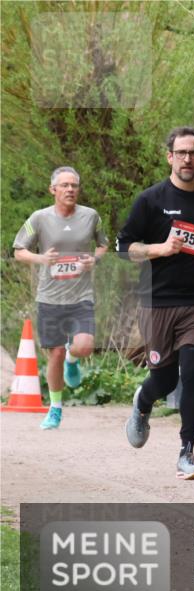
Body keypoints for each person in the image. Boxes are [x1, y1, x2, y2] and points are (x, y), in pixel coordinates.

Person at [116, 126, 194, 480]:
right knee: (164, 381)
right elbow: (124, 248)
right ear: (170, 156)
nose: (187, 159)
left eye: (193, 153)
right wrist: (159, 249)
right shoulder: (150, 200)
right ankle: (142, 401)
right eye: (180, 152)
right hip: (156, 303)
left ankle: (187, 452)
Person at [12, 167, 108, 429]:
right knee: (53, 353)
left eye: (74, 185)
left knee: (85, 345)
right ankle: (55, 408)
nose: (70, 190)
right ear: (53, 189)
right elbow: (19, 250)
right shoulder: (39, 218)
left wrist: (94, 259)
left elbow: (103, 244)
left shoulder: (91, 216)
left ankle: (73, 359)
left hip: (81, 295)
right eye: (64, 185)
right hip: (50, 297)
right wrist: (40, 258)